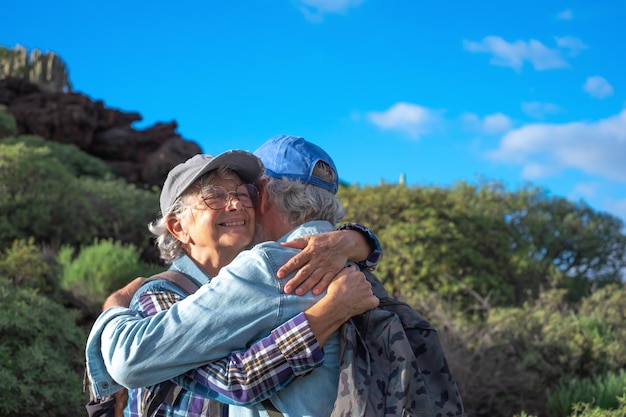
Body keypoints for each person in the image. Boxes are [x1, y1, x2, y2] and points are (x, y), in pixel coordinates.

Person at [85, 145, 380, 416]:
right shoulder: (160, 296)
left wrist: (356, 240)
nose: (236, 205)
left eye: (243, 194)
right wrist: (327, 314)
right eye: (214, 196)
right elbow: (235, 379)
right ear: (178, 227)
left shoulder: (279, 270)